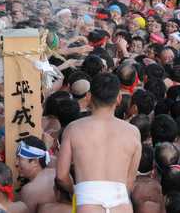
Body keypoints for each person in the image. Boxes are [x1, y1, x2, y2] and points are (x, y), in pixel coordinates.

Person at [56, 72, 141, 213]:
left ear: (89, 96)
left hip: (87, 203)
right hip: (121, 204)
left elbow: (61, 176)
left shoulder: (73, 129)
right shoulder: (132, 132)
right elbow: (130, 182)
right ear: (119, 98)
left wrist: (74, 191)